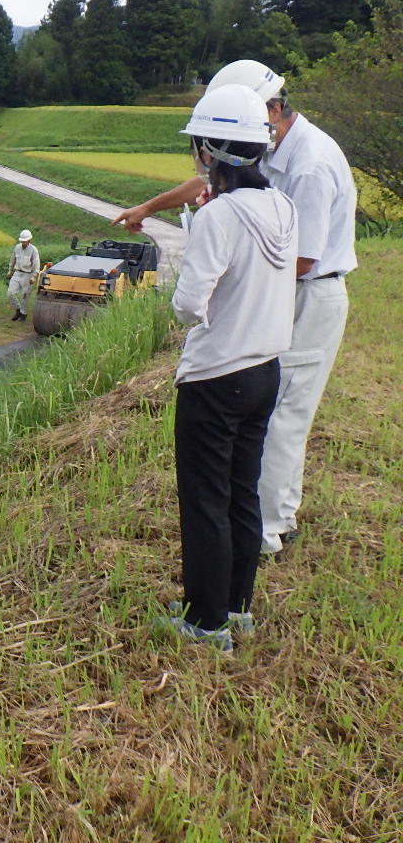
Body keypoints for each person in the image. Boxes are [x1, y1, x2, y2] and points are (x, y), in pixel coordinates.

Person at [113, 59, 356, 556]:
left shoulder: (307, 164)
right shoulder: (263, 148)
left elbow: (302, 258)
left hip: (309, 294)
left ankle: (266, 531)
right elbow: (207, 179)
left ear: (271, 108)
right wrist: (149, 209)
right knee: (274, 405)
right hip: (282, 296)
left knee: (284, 414)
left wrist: (230, 274)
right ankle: (275, 519)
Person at [157, 84, 297, 651]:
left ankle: (205, 622)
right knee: (242, 491)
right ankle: (234, 605)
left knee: (204, 497)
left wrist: (200, 229)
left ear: (209, 152)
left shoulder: (219, 218)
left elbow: (188, 303)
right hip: (266, 369)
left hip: (216, 379)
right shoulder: (282, 206)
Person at [6, 229, 40, 322]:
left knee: (25, 296)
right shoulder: (17, 247)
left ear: (29, 240)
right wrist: (10, 270)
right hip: (17, 273)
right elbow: (12, 260)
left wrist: (34, 276)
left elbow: (36, 264)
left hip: (28, 275)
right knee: (10, 293)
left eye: (25, 241)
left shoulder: (33, 250)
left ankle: (23, 315)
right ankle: (18, 310)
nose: (23, 242)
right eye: (22, 241)